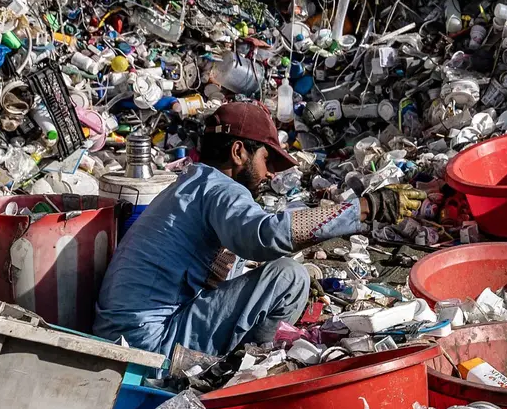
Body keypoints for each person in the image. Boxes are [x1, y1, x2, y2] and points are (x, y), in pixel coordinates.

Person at [94, 102, 419, 357]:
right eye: (265, 159)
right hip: (150, 342)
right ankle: (247, 368)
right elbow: (262, 237)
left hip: (124, 334)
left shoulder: (190, 186)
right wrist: (365, 208)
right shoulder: (219, 189)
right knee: (290, 277)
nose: (268, 175)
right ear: (238, 152)